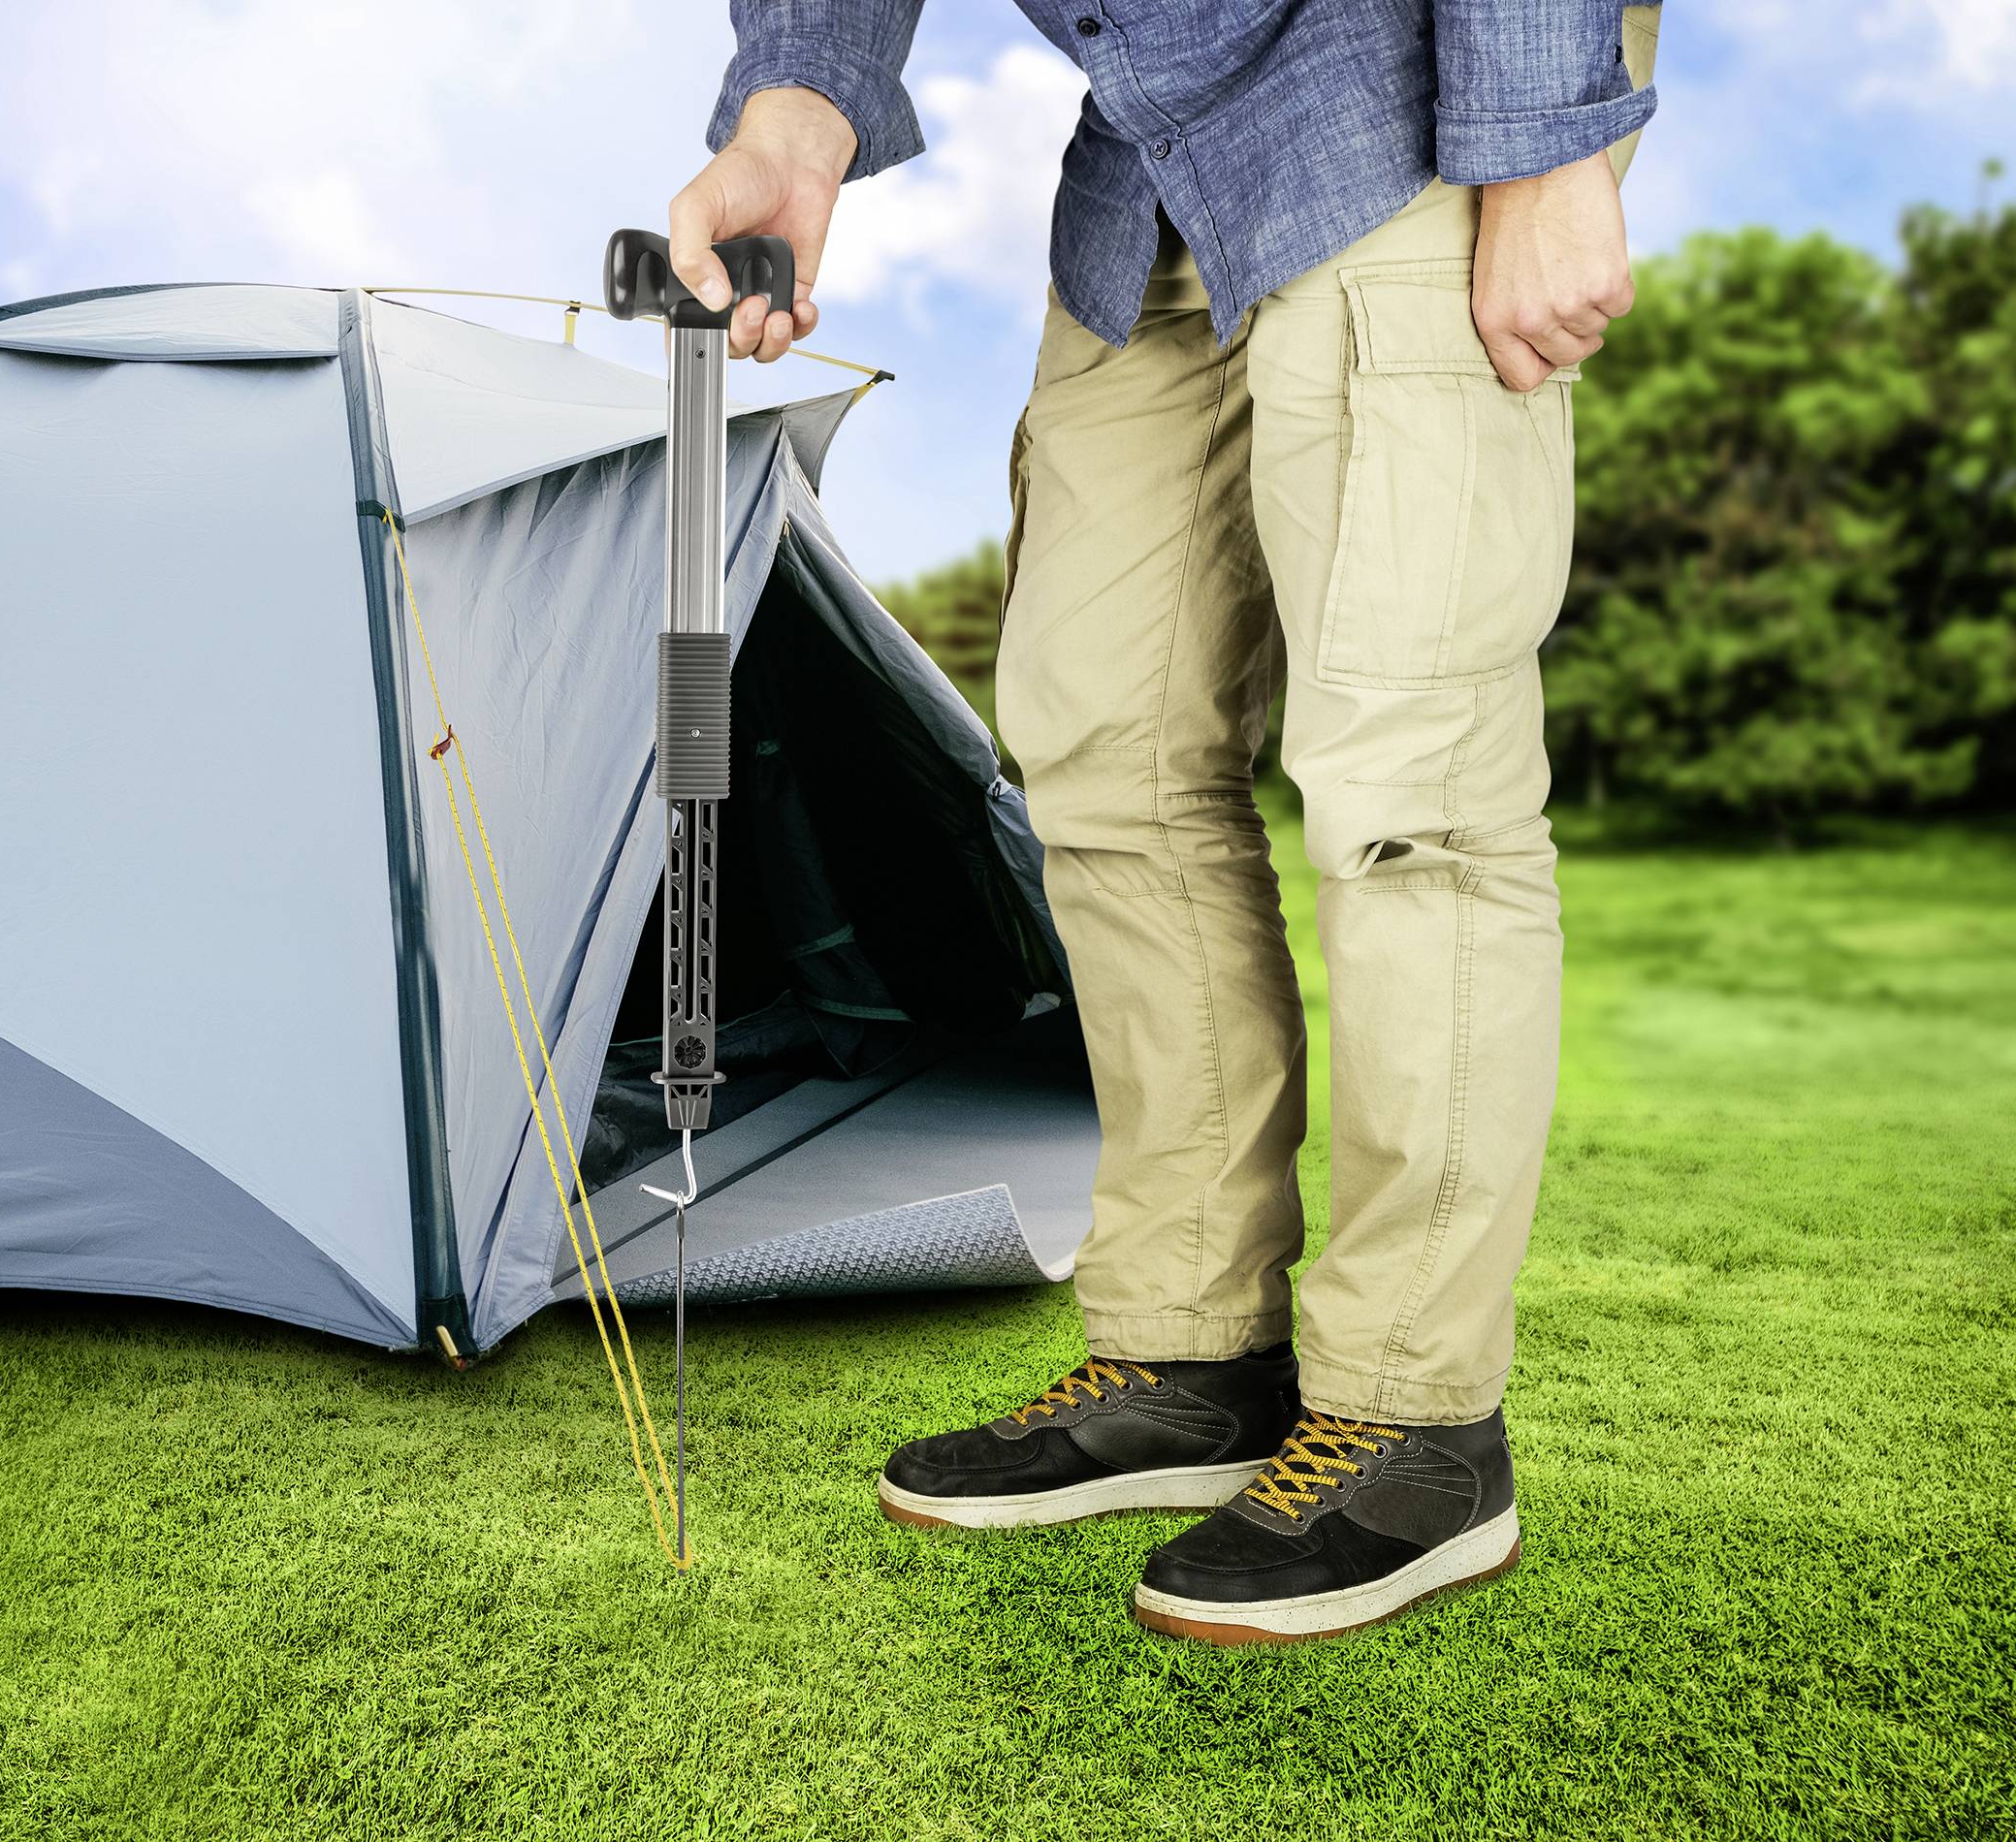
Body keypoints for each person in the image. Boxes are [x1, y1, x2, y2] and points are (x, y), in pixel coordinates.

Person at [669, 1, 1660, 1644]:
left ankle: (1417, 1423)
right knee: (1102, 744)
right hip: (1152, 155)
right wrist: (792, 122)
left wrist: (1548, 136)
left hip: (1412, 92)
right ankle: (1192, 1357)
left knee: (1411, 782)